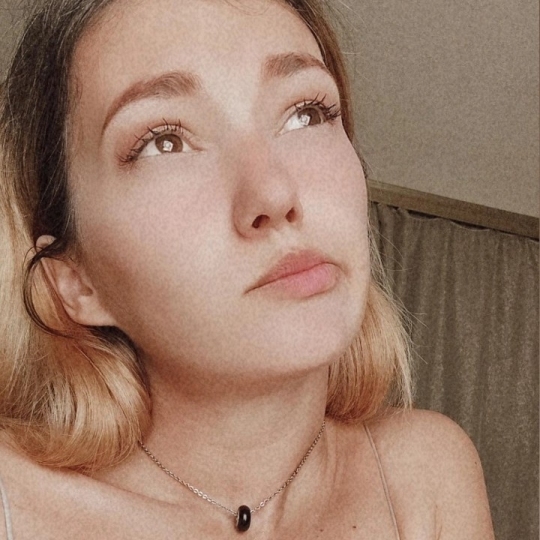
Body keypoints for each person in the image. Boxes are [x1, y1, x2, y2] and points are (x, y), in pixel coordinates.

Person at [0, 0, 494, 538]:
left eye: (306, 112)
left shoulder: (427, 477)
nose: (275, 194)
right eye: (164, 141)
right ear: (74, 280)